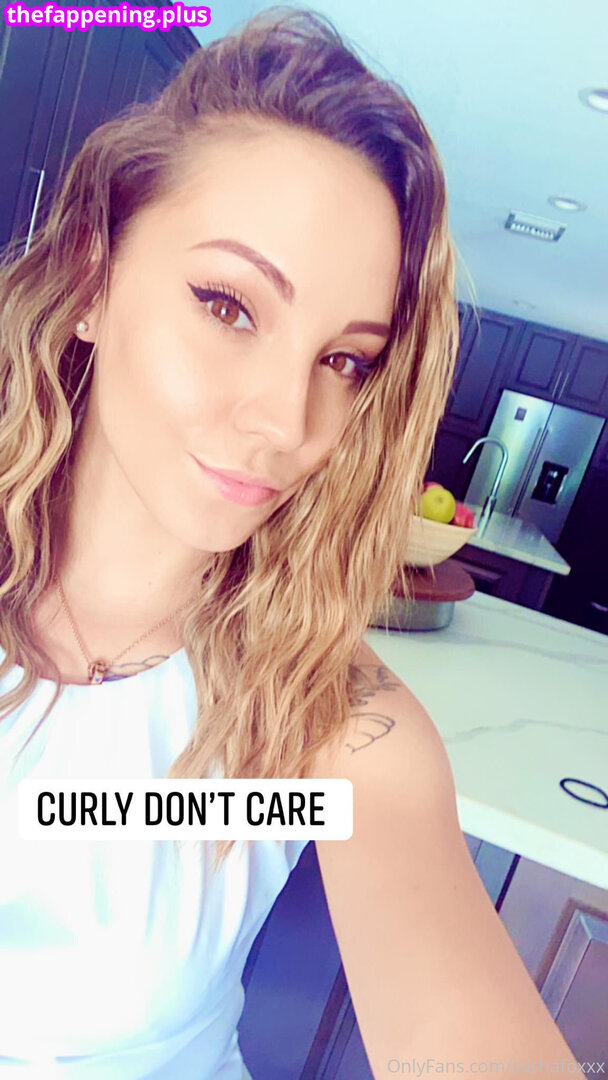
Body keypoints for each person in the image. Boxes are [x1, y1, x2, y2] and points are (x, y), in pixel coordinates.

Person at [0, 6, 578, 1078]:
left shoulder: (323, 731)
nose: (288, 422)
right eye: (228, 305)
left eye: (344, 361)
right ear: (89, 279)